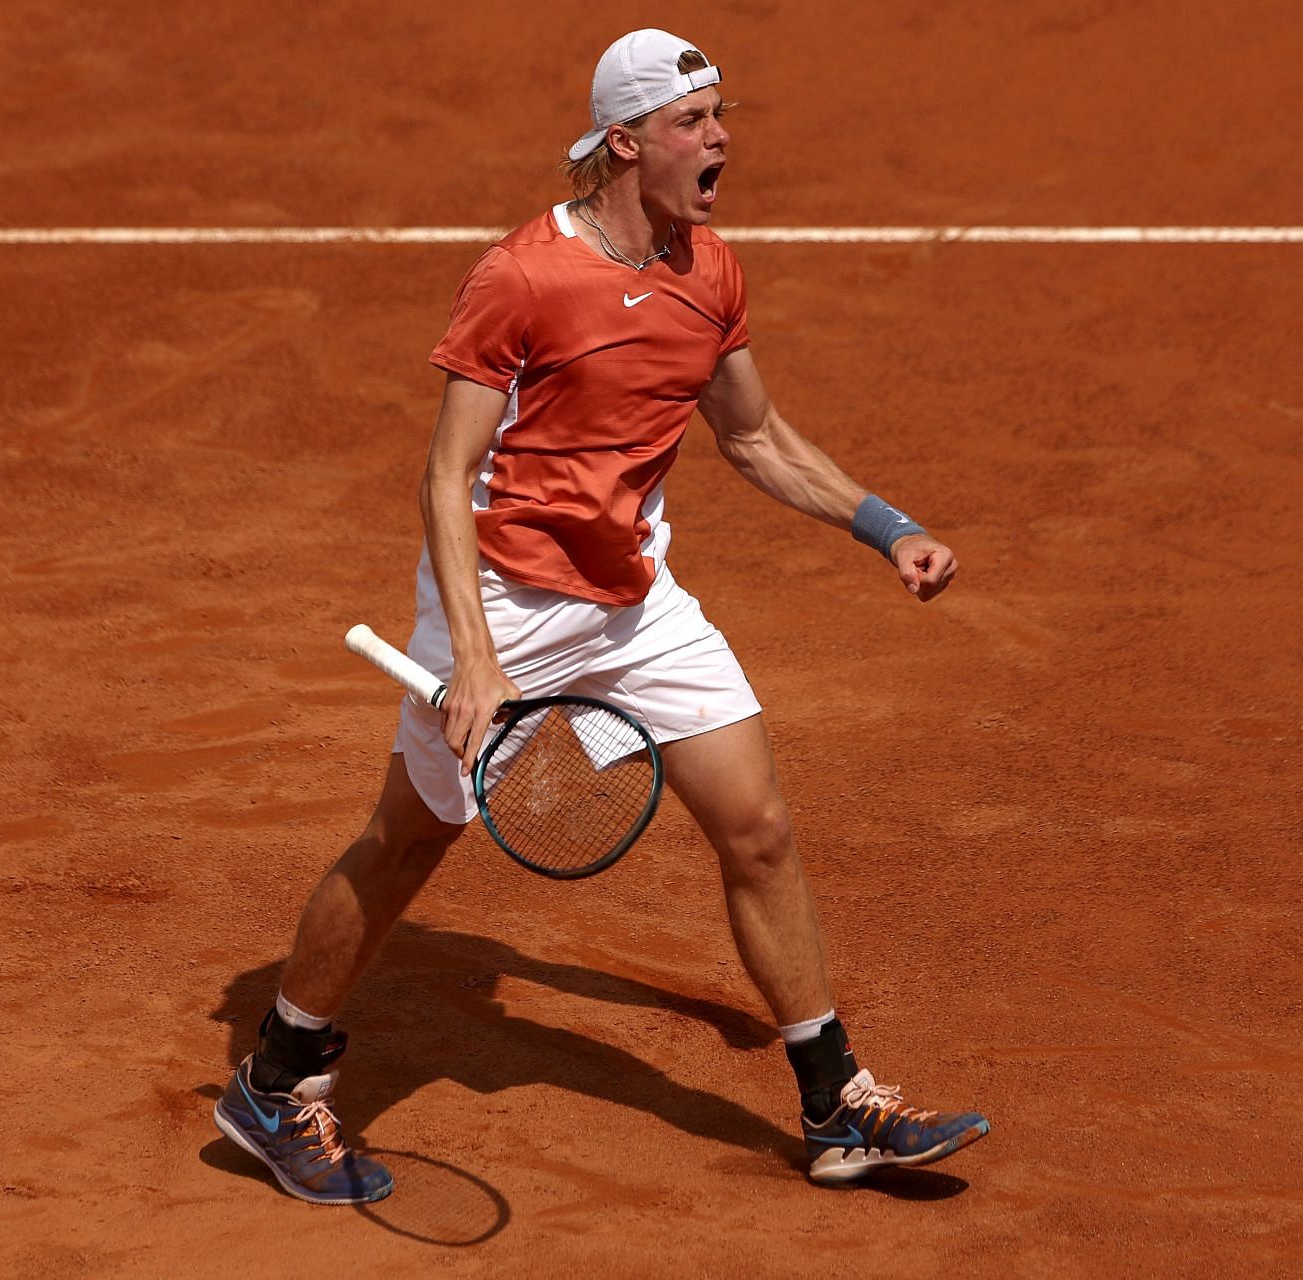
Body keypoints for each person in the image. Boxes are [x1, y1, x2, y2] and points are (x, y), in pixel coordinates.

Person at [213, 28, 989, 1205]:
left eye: (723, 114)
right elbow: (442, 476)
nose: (721, 136)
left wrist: (888, 526)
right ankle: (275, 1084)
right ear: (626, 141)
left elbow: (757, 436)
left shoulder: (710, 269)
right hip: (506, 598)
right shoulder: (522, 276)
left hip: (633, 600)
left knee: (760, 825)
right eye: (694, 121)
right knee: (409, 840)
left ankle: (838, 1103)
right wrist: (472, 656)